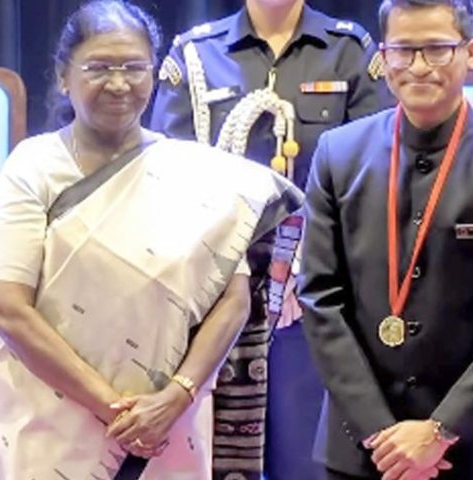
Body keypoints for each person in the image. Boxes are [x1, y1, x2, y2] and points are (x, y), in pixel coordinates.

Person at [0, 1, 302, 479]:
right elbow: (5, 307)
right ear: (64, 77)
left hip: (169, 425)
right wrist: (115, 408)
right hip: (52, 423)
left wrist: (177, 396)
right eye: (98, 68)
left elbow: (233, 301)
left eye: (134, 68)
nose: (119, 83)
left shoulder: (197, 174)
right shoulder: (33, 167)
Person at [298, 0, 473, 479]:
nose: (419, 67)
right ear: (383, 58)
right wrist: (381, 433)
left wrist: (441, 430)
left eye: (438, 49)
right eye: (403, 51)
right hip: (363, 449)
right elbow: (320, 299)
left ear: (472, 52)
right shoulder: (338, 156)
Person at [150, 1, 393, 478]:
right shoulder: (196, 56)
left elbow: (375, 173)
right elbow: (167, 177)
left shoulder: (349, 50)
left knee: (305, 459)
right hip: (218, 293)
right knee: (214, 459)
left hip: (315, 294)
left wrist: (310, 261)